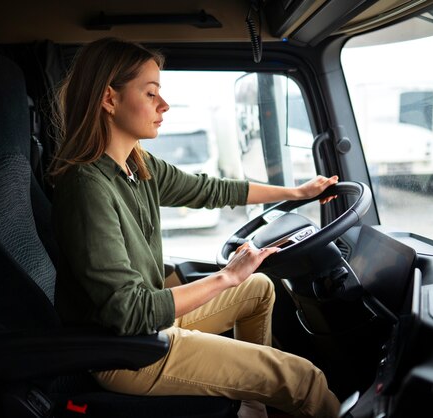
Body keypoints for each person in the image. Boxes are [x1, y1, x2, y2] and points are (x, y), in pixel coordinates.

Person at [49, 37, 341, 418]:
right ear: (109, 99)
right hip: (124, 352)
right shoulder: (87, 187)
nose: (164, 105)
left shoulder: (138, 166)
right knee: (303, 379)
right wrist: (225, 278)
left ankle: (251, 408)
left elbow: (209, 189)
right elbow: (129, 312)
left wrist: (296, 191)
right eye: (151, 93)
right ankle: (264, 391)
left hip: (145, 329)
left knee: (259, 289)